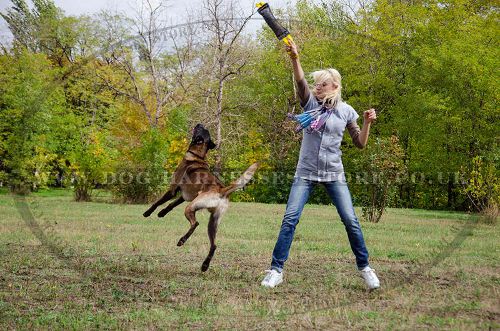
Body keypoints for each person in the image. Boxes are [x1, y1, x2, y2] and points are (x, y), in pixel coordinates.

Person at [260, 39, 380, 290]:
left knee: (351, 220)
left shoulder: (347, 111)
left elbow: (359, 143)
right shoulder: (310, 105)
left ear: (334, 86)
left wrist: (368, 123)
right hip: (305, 173)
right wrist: (295, 58)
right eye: (316, 84)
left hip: (334, 174)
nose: (317, 87)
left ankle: (365, 268)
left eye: (322, 84)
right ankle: (275, 270)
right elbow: (300, 82)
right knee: (290, 218)